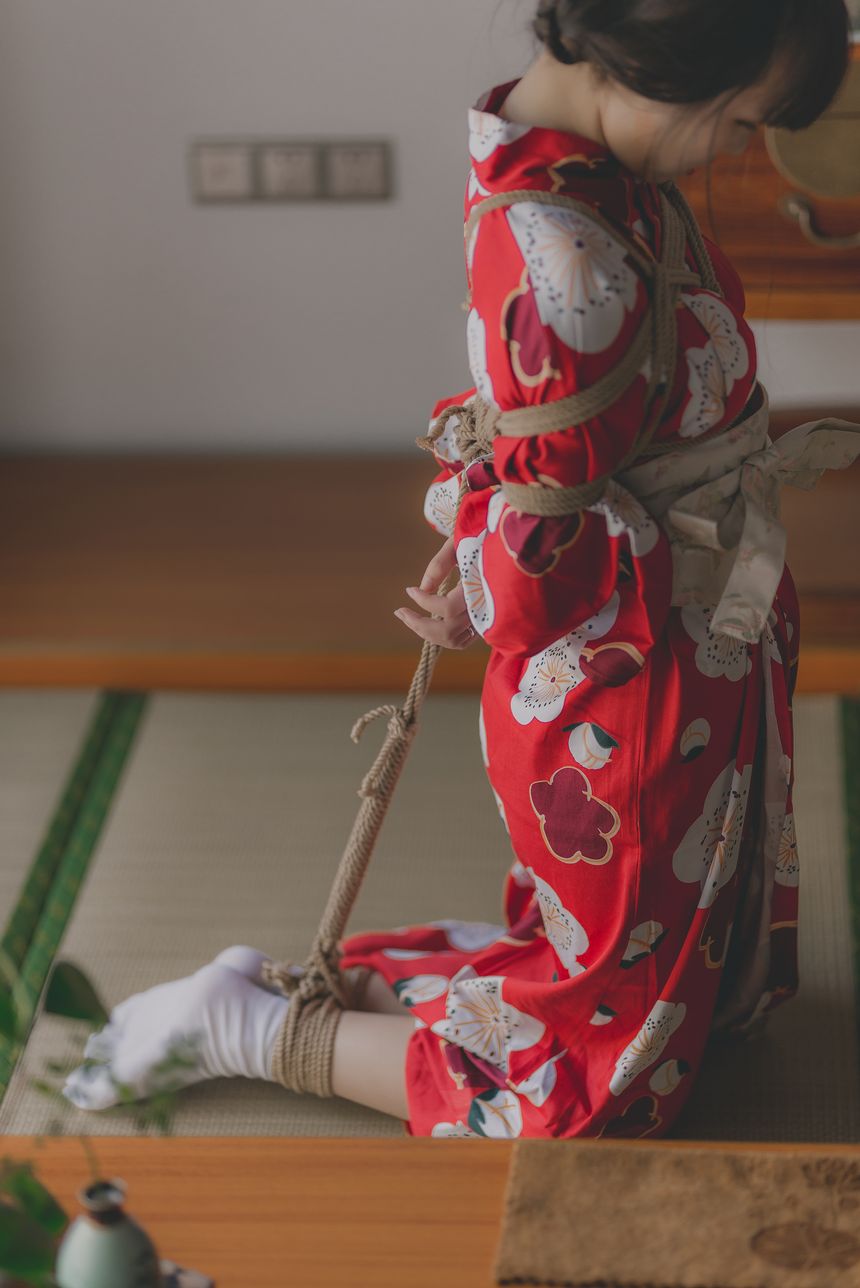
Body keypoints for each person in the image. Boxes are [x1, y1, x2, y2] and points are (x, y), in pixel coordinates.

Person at [63, 0, 854, 1137]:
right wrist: (498, 572)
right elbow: (545, 538)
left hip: (683, 639)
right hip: (634, 670)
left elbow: (553, 451)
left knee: (664, 960)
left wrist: (507, 527)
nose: (738, 149)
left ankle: (530, 997)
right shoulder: (571, 258)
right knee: (588, 1101)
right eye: (738, 121)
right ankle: (246, 1030)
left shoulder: (580, 174)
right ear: (657, 66)